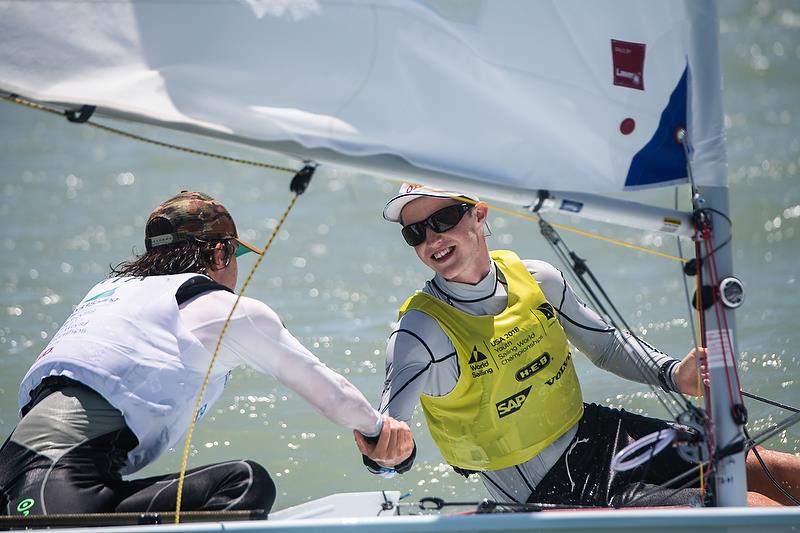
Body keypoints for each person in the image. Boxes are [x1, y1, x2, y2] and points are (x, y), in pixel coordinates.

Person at [355, 183, 800, 508]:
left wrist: (672, 373)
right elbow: (391, 434)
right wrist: (389, 457)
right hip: (546, 488)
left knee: (780, 471)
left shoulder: (537, 278)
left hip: (599, 435)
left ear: (479, 213)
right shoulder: (419, 332)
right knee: (754, 508)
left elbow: (606, 347)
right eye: (415, 233)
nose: (432, 239)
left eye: (443, 219)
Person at [0, 191, 412, 518]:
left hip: (15, 484)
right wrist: (384, 437)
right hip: (57, 499)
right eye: (235, 256)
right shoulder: (217, 308)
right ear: (219, 253)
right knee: (245, 483)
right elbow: (332, 393)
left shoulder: (108, 295)